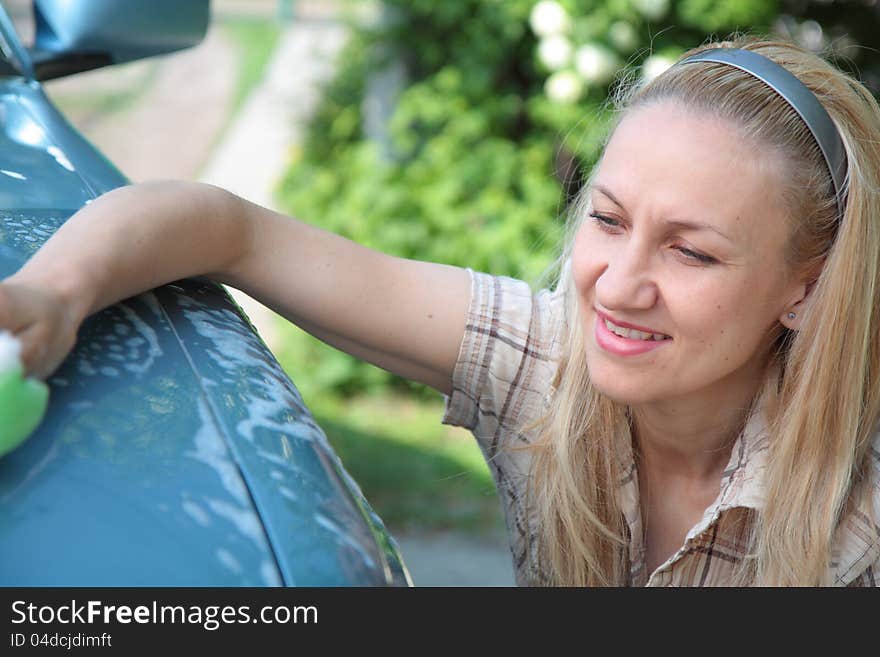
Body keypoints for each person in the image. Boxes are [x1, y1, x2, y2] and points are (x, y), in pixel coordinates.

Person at [3, 35, 880, 586]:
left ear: (805, 288)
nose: (617, 286)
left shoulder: (857, 530)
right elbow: (229, 231)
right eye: (607, 220)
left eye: (690, 251)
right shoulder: (545, 363)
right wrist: (53, 293)